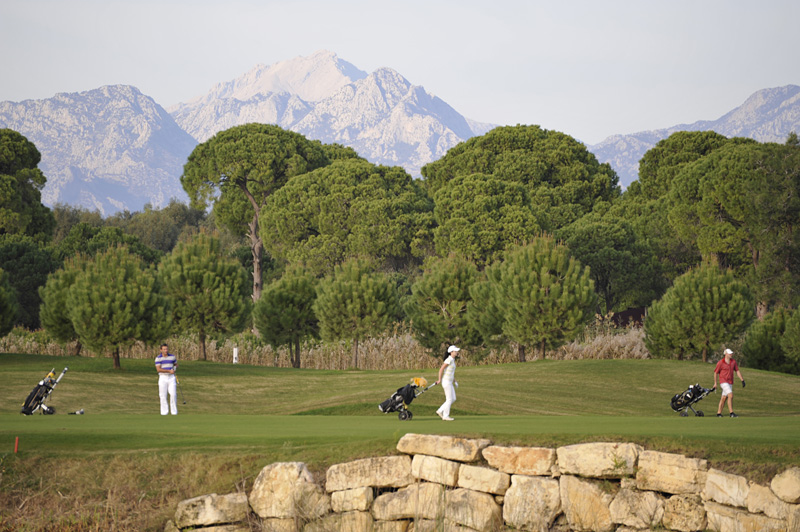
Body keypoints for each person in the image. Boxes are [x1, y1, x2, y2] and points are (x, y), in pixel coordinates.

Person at [714, 348, 745, 418]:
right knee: (730, 395)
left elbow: (737, 371)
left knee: (724, 398)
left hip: (730, 382)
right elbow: (715, 373)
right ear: (726, 354)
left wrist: (742, 380)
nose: (731, 354)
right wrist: (715, 383)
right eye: (730, 353)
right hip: (723, 382)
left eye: (731, 353)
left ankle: (719, 413)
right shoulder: (720, 362)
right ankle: (731, 413)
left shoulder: (733, 362)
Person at [435, 345, 461, 421]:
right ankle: (446, 416)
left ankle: (440, 410)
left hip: (450, 381)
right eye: (455, 351)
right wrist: (439, 380)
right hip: (446, 382)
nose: (457, 352)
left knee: (453, 398)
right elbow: (441, 370)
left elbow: (450, 372)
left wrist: (455, 381)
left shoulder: (452, 360)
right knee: (449, 399)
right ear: (451, 352)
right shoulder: (449, 360)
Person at [155, 343, 178, 415]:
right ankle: (164, 412)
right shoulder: (158, 358)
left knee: (173, 394)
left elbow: (176, 364)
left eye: (167, 349)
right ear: (161, 350)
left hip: (171, 378)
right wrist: (169, 371)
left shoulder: (172, 357)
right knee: (163, 395)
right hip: (163, 377)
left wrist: (174, 369)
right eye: (164, 349)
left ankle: (174, 412)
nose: (166, 350)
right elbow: (158, 369)